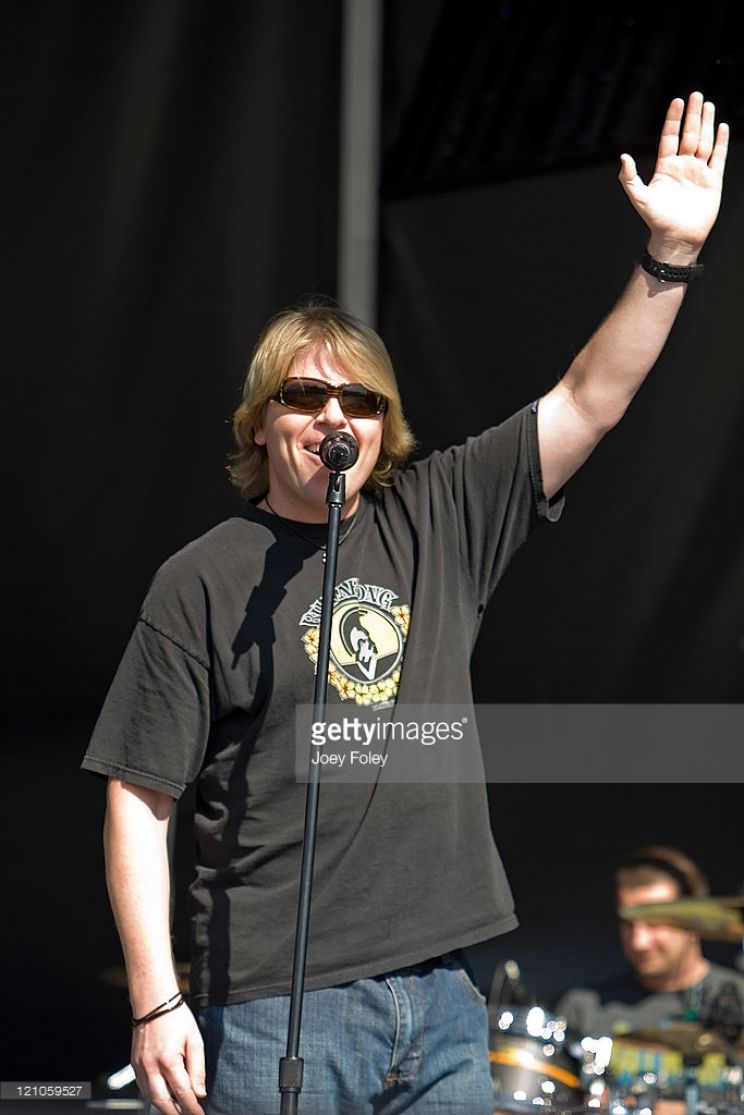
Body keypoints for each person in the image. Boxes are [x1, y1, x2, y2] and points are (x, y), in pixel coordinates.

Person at [82, 93, 729, 1115]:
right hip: (277, 1007)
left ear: (385, 424)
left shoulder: (442, 512)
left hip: (441, 996)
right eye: (305, 396)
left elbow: (588, 399)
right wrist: (156, 998)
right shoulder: (204, 579)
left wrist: (670, 256)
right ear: (260, 423)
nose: (333, 416)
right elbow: (138, 798)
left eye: (361, 400)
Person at [554, 846, 744, 1108]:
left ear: (695, 921)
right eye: (628, 922)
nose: (639, 941)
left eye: (654, 922)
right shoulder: (583, 1008)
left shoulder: (738, 998)